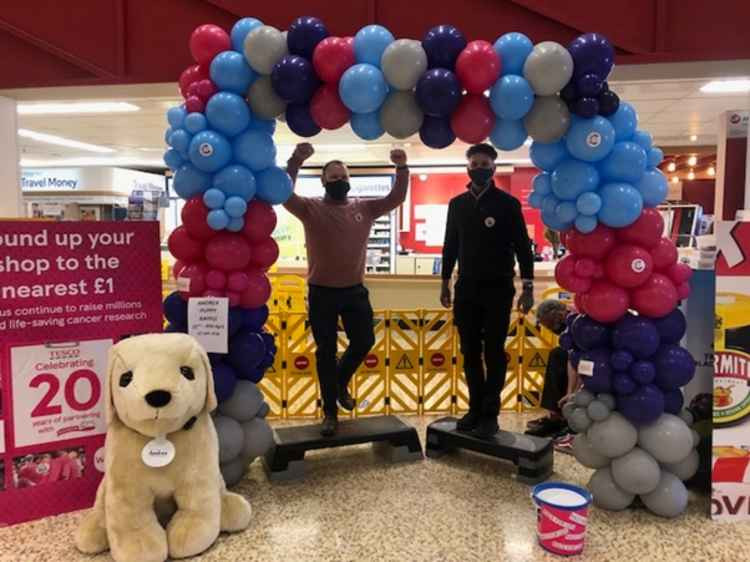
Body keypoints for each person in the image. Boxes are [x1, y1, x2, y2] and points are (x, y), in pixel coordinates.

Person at [286, 143, 410, 437]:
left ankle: (339, 382)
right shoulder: (310, 208)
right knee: (325, 353)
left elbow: (396, 197)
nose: (339, 181)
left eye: (343, 176)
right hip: (321, 293)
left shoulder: (364, 208)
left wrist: (402, 166)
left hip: (354, 292)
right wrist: (296, 161)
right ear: (324, 181)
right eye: (333, 177)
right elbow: (283, 195)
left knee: (364, 341)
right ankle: (330, 411)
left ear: (348, 180)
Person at [441, 143, 535, 438]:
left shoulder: (507, 204)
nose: (479, 168)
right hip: (466, 288)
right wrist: (444, 283)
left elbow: (523, 248)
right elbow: (450, 246)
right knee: (469, 351)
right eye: (475, 163)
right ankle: (475, 408)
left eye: (485, 164)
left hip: (498, 288)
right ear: (467, 167)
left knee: (493, 351)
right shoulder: (457, 204)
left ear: (493, 168)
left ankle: (490, 413)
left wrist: (527, 287)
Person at [525, 299, 573, 438]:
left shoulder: (574, 322)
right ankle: (555, 415)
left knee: (557, 355)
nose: (551, 329)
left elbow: (574, 359)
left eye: (550, 324)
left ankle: (560, 418)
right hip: (575, 359)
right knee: (557, 355)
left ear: (558, 315)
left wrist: (571, 392)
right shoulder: (564, 325)